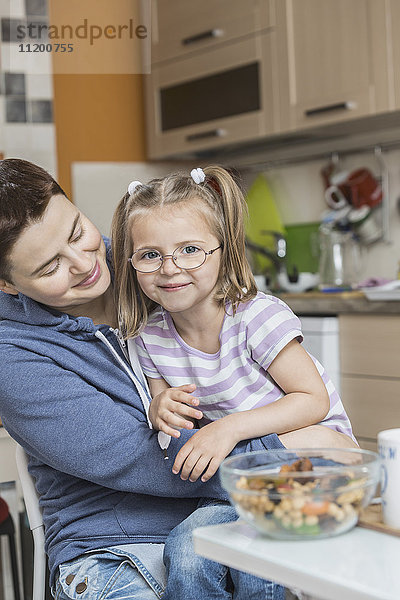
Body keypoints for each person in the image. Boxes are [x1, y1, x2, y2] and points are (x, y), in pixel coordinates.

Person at [0, 158, 287, 600]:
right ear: (7, 285)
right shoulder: (12, 355)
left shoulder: (154, 260)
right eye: (49, 267)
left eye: (77, 232)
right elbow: (137, 455)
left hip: (233, 511)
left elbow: (256, 360)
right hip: (116, 547)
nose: (84, 263)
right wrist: (285, 458)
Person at [112, 165, 357, 485]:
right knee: (193, 533)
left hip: (316, 451)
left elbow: (313, 400)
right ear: (131, 262)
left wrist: (228, 428)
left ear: (223, 251)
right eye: (149, 255)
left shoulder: (256, 318)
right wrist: (160, 409)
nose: (170, 269)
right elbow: (172, 420)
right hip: (244, 465)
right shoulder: (149, 336)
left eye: (190, 250)